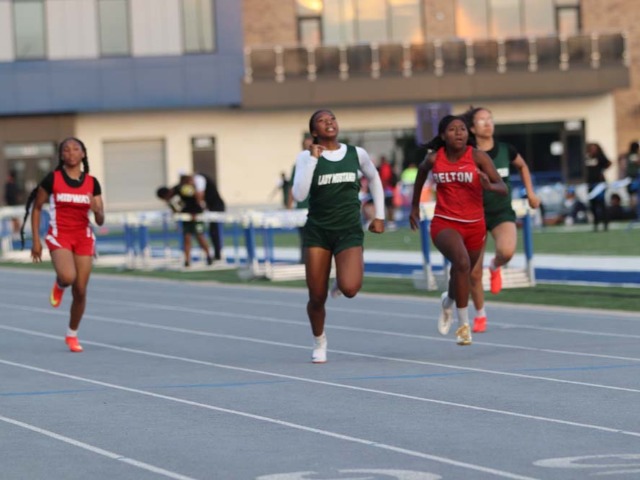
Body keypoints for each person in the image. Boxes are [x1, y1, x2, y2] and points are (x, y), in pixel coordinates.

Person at [292, 109, 385, 363]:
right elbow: (299, 194)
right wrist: (313, 159)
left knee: (350, 288)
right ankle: (319, 341)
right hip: (318, 232)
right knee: (316, 297)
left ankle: (341, 280)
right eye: (322, 121)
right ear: (314, 131)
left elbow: (374, 179)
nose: (329, 123)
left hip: (348, 230)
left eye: (331, 119)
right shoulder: (305, 157)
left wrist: (379, 215)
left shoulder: (357, 153)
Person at [409, 115, 507, 346]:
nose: (459, 133)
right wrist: (414, 207)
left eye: (462, 129)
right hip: (445, 222)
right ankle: (463, 326)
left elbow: (502, 187)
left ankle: (448, 301)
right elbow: (420, 175)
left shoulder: (478, 157)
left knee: (461, 272)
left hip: (475, 225)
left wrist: (488, 185)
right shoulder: (434, 158)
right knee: (462, 263)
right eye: (453, 130)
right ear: (443, 135)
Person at [21, 137, 105, 353]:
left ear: (83, 154)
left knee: (81, 290)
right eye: (66, 150)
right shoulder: (53, 179)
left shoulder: (92, 182)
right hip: (60, 235)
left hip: (84, 236)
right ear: (61, 155)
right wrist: (36, 241)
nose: (71, 153)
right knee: (68, 277)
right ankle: (60, 284)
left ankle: (72, 334)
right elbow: (37, 208)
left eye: (76, 149)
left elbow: (100, 220)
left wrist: (97, 209)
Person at [462, 106, 541, 334]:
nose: (488, 123)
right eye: (482, 120)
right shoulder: (467, 153)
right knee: (473, 272)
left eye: (490, 119)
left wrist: (531, 193)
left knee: (507, 251)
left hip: (501, 212)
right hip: (474, 215)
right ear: (472, 128)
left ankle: (495, 266)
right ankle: (480, 314)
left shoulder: (506, 150)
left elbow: (523, 166)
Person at [156, 174, 213, 267]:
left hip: (196, 215)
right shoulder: (171, 199)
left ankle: (208, 256)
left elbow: (195, 198)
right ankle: (187, 260)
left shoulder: (182, 189)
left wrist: (197, 211)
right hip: (185, 218)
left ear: (167, 194)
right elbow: (176, 209)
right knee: (186, 238)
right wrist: (177, 220)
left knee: (200, 236)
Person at [287, 135, 313, 263]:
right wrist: (289, 207)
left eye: (309, 147)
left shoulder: (322, 164)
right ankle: (304, 262)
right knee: (304, 237)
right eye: (305, 147)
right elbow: (292, 186)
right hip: (302, 208)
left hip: (317, 207)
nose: (307, 150)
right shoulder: (297, 166)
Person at [194, 172, 225, 262]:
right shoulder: (196, 181)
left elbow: (200, 195)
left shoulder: (199, 179)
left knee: (214, 231)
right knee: (209, 232)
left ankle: (217, 254)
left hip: (215, 207)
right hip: (209, 208)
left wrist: (202, 206)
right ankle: (215, 254)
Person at [585, 142, 612, 232]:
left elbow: (609, 163)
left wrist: (602, 171)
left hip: (599, 184)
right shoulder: (586, 157)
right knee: (592, 205)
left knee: (601, 204)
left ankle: (605, 223)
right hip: (590, 183)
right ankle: (595, 223)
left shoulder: (600, 157)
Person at [4, 170, 20, 235]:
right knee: (13, 219)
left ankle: (17, 231)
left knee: (15, 218)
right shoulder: (8, 185)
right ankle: (15, 231)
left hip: (14, 205)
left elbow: (16, 195)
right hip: (10, 205)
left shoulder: (14, 185)